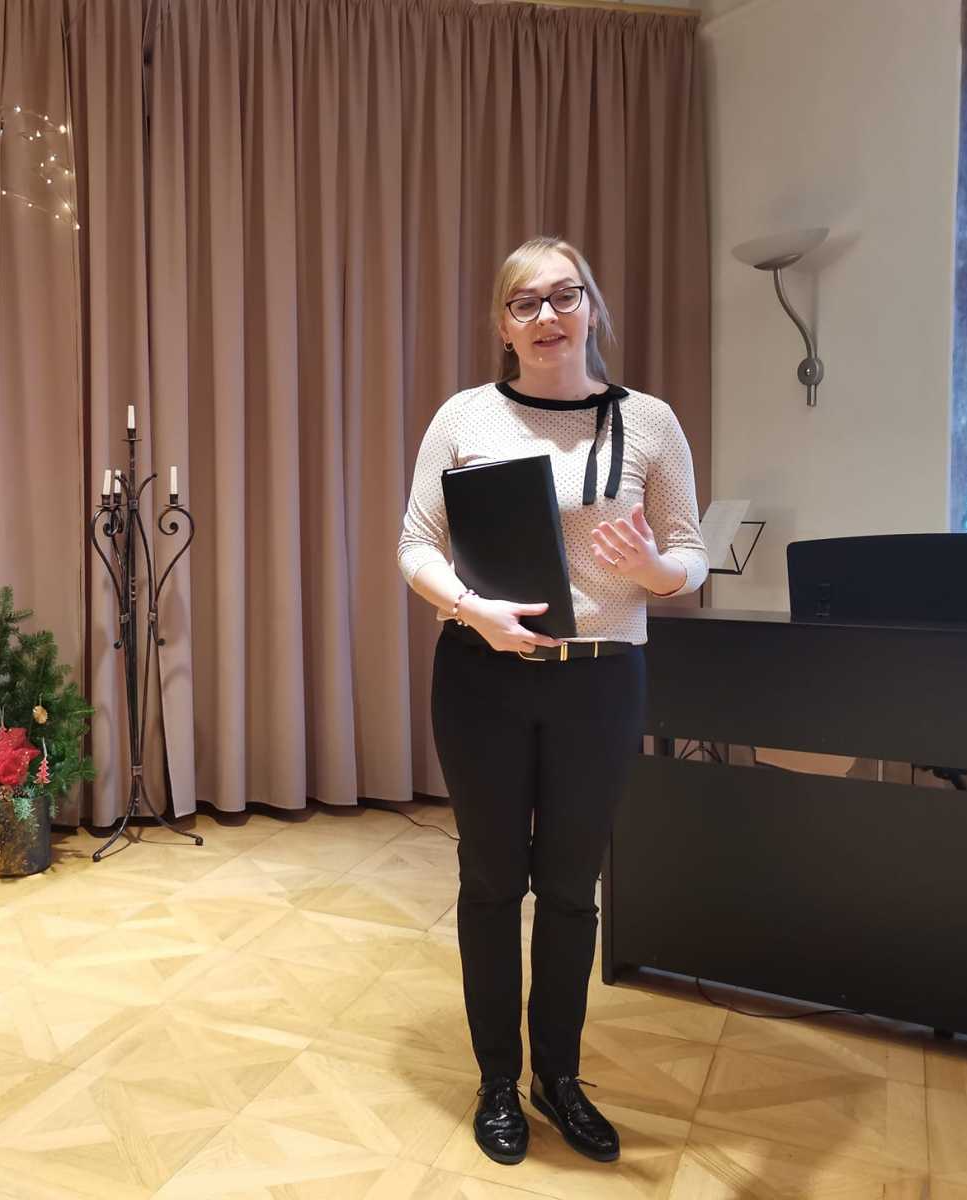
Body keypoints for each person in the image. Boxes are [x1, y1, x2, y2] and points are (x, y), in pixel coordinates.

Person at [397, 236, 708, 1166]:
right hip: (482, 675)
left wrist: (653, 569)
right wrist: (471, 608)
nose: (547, 317)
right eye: (524, 303)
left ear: (592, 309)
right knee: (492, 882)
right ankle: (498, 1079)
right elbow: (414, 544)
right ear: (503, 325)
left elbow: (691, 554)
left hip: (602, 680)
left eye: (564, 297)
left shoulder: (649, 422)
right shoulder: (464, 416)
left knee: (572, 890)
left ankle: (558, 1077)